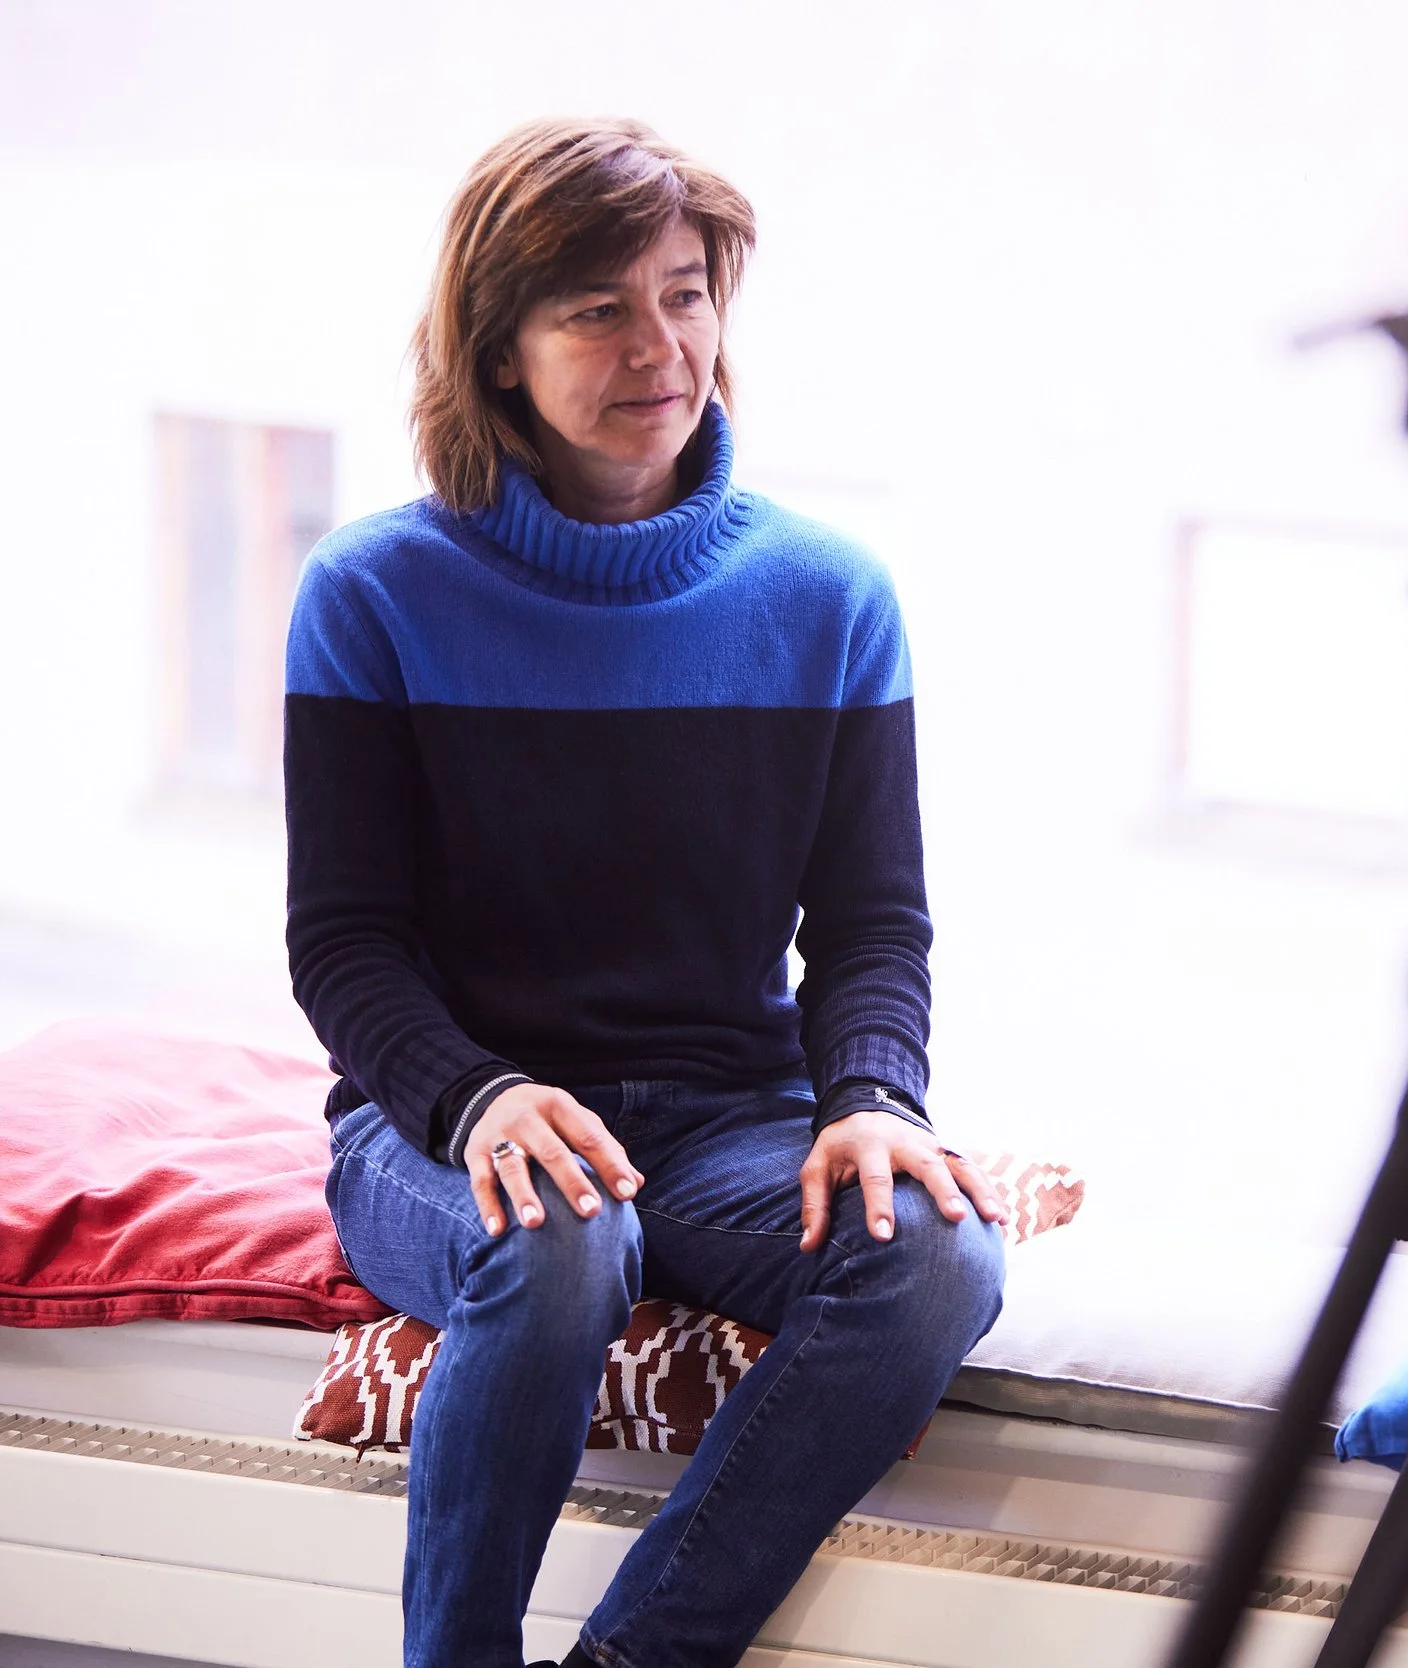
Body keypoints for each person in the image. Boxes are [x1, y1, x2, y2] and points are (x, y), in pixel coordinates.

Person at [285, 119, 1007, 1668]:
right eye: (597, 309)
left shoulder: (826, 596)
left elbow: (874, 922)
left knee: (940, 1250)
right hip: (447, 1125)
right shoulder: (374, 593)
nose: (659, 345)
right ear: (496, 353)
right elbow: (345, 941)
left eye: (684, 295)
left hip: (726, 1126)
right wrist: (478, 1099)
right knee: (559, 1243)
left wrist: (875, 1096)